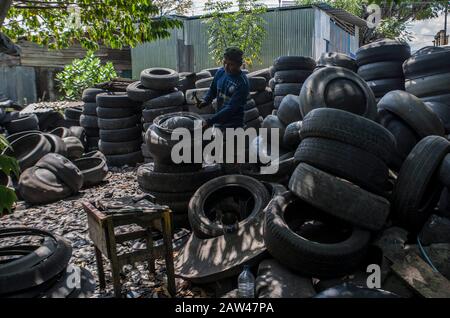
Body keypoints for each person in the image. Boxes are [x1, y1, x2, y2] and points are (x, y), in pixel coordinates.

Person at [198, 47, 250, 129]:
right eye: (224, 62)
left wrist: (210, 121)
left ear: (239, 64)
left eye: (231, 64)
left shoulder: (242, 83)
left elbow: (231, 109)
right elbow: (213, 90)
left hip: (234, 126)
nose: (226, 67)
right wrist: (205, 100)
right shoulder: (220, 72)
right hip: (219, 121)